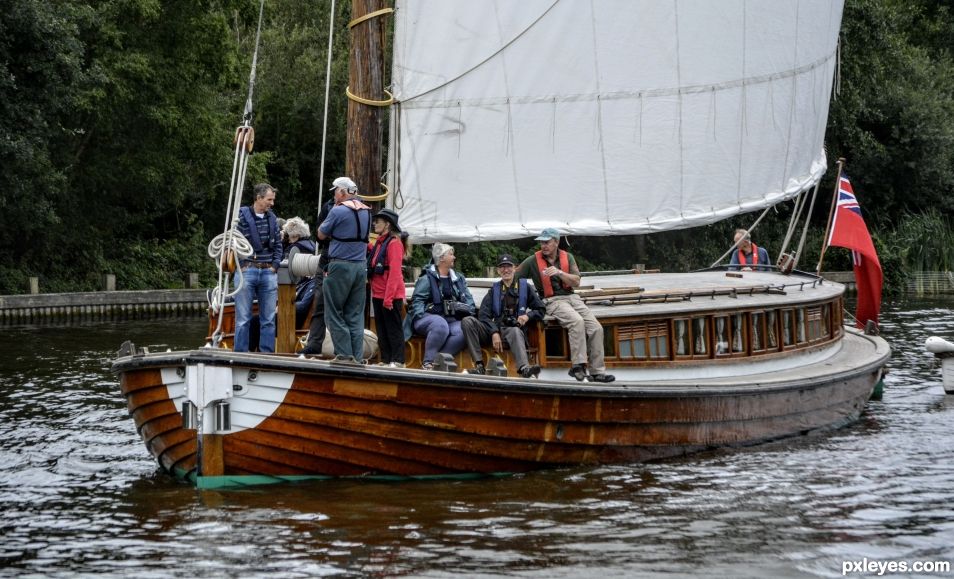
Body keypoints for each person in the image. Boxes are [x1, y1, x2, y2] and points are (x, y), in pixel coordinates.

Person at [515, 228, 615, 383]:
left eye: (547, 242)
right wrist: (524, 298)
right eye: (541, 242)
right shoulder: (532, 260)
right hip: (551, 300)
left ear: (556, 242)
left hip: (572, 297)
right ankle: (578, 366)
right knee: (577, 322)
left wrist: (559, 273)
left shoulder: (568, 257)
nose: (543, 245)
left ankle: (597, 372)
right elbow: (514, 277)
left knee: (596, 328)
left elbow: (576, 281)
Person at [462, 254, 545, 378]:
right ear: (498, 270)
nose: (506, 270)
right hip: (495, 329)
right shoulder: (494, 291)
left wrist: (527, 316)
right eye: (502, 267)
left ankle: (524, 368)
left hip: (513, 331)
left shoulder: (525, 287)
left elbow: (541, 309)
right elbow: (483, 316)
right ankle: (479, 366)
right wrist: (494, 332)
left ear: (515, 268)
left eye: (509, 267)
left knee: (516, 331)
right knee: (467, 321)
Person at [317, 176, 372, 363]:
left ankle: (344, 355)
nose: (334, 195)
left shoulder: (338, 211)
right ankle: (357, 357)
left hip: (340, 266)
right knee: (355, 315)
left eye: (335, 191)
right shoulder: (367, 211)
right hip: (360, 267)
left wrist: (333, 214)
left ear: (342, 192)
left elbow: (321, 233)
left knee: (333, 311)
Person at [403, 243, 476, 370]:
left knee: (464, 331)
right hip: (426, 317)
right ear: (441, 258)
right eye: (451, 254)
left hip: (451, 319)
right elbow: (417, 300)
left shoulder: (458, 278)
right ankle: (428, 362)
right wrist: (419, 315)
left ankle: (438, 361)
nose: (454, 257)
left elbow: (469, 301)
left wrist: (466, 309)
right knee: (440, 325)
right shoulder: (426, 278)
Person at [234, 183, 283, 353]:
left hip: (268, 271)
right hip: (247, 270)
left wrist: (275, 266)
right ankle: (240, 353)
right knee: (242, 318)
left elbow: (278, 245)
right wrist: (241, 266)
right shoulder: (240, 217)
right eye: (269, 200)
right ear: (259, 198)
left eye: (273, 200)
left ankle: (266, 354)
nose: (272, 203)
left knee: (268, 319)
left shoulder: (272, 218)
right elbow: (232, 243)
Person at [368, 208, 409, 367]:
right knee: (382, 328)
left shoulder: (394, 243)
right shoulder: (379, 243)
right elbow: (375, 257)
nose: (375, 223)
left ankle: (398, 361)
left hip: (390, 295)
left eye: (378, 221)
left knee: (393, 329)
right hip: (378, 293)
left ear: (387, 225)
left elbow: (395, 273)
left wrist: (389, 298)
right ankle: (386, 360)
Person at [281, 217, 317, 328]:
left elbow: (284, 267)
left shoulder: (293, 249)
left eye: (289, 237)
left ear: (295, 236)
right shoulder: (312, 245)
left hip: (293, 291)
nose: (288, 239)